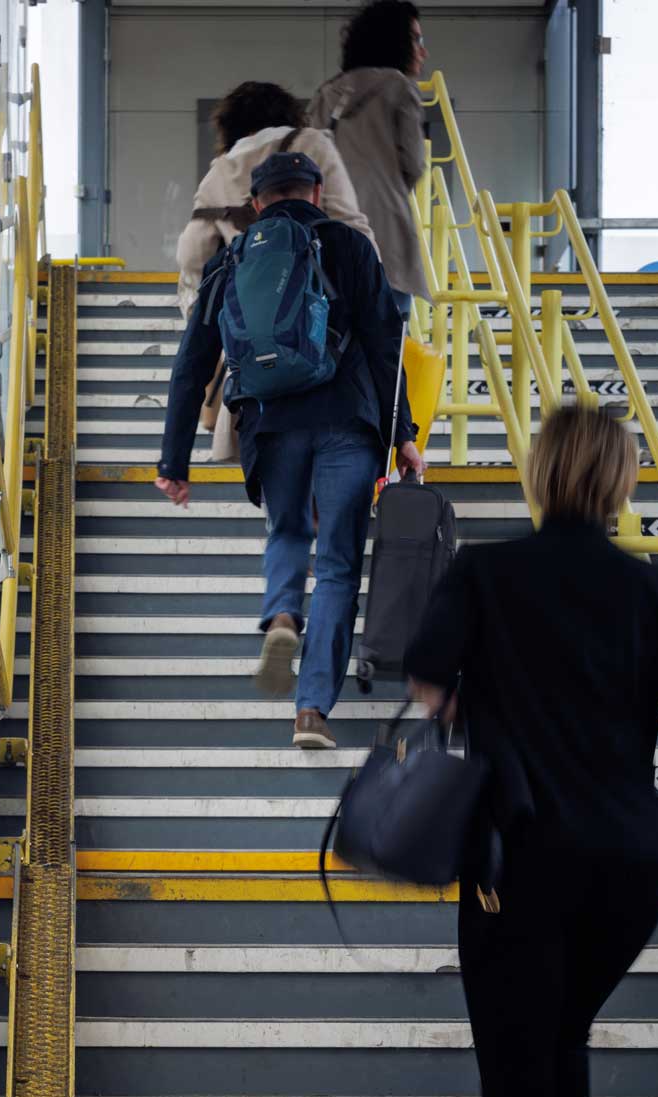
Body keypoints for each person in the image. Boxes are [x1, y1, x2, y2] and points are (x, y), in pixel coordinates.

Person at [404, 406, 658, 1097]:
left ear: (540, 472)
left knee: (517, 1089)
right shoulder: (655, 589)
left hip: (518, 862)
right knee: (565, 1039)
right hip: (631, 867)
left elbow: (424, 679)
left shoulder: (487, 574)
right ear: (622, 481)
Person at [156, 151, 425, 749]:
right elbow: (386, 344)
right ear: (318, 192)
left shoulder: (233, 259)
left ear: (257, 203)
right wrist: (403, 433)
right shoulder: (352, 247)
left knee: (287, 533)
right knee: (334, 566)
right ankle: (310, 713)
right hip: (347, 422)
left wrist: (174, 462)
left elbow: (191, 365)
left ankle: (281, 614)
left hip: (270, 424)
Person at [179, 82, 379, 461]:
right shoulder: (313, 145)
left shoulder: (219, 173)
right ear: (289, 115)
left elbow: (192, 257)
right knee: (333, 454)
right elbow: (356, 232)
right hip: (326, 332)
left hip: (260, 346)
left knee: (276, 467)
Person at [308, 0, 430, 318]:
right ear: (396, 41)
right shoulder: (399, 88)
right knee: (386, 352)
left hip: (330, 239)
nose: (422, 51)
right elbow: (414, 164)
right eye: (417, 39)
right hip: (386, 241)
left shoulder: (326, 93)